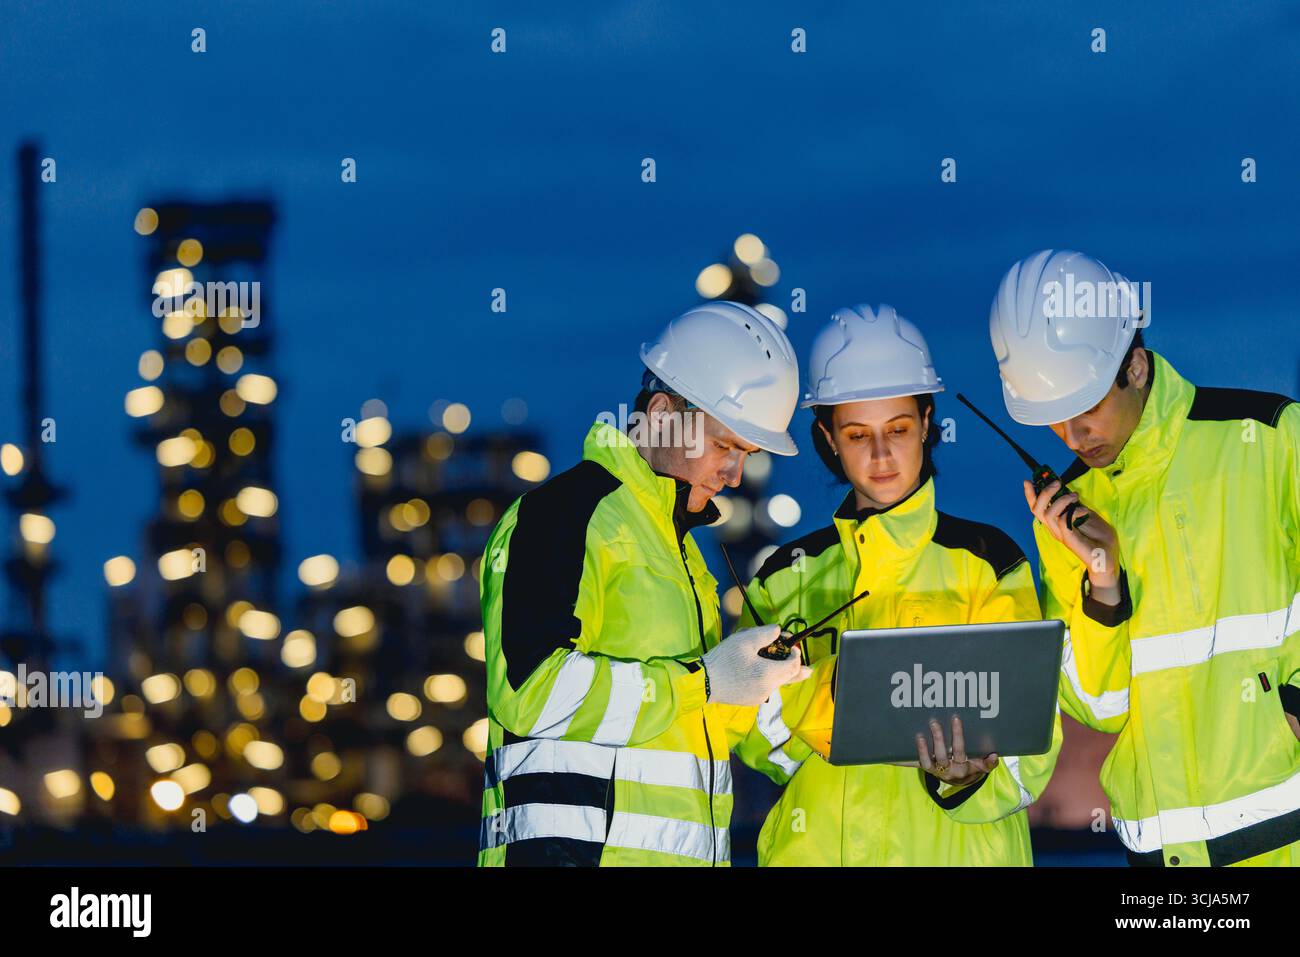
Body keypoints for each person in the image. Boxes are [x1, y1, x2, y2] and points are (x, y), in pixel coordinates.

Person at [990, 248, 1300, 867]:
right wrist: (1102, 581)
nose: (1073, 438)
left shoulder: (1268, 438)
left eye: (1085, 411)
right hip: (1160, 859)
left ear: (1134, 367)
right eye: (1053, 421)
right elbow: (1099, 709)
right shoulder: (1068, 520)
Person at [477, 300, 809, 866]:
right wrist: (703, 682)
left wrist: (767, 686)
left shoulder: (683, 558)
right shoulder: (562, 515)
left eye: (745, 455)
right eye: (726, 446)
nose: (734, 473)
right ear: (661, 412)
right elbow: (530, 692)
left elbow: (690, 724)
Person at [732, 303, 1063, 865]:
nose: (882, 454)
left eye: (899, 429)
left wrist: (965, 778)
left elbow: (1033, 745)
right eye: (858, 434)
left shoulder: (988, 562)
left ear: (928, 424)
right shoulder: (781, 577)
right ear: (827, 437)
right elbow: (758, 747)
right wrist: (834, 701)